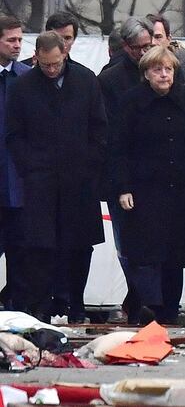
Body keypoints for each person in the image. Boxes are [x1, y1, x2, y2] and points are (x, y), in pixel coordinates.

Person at [112, 45, 185, 327]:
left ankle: (183, 309)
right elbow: (119, 148)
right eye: (157, 70)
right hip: (147, 189)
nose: (164, 75)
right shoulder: (131, 102)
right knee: (151, 252)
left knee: (183, 251)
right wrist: (123, 186)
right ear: (146, 74)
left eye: (169, 69)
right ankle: (152, 307)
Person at [6, 31, 107, 323]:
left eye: (56, 64)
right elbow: (14, 135)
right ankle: (41, 305)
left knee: (79, 246)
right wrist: (30, 167)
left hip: (79, 180)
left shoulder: (85, 80)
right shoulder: (23, 87)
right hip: (40, 181)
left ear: (65, 54)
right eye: (45, 65)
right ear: (36, 57)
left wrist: (89, 164)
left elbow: (99, 128)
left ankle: (75, 303)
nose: (51, 70)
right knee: (39, 247)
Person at [97, 17, 153, 324]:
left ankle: (143, 301)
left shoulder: (166, 71)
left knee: (153, 243)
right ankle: (138, 299)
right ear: (126, 48)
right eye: (139, 48)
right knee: (128, 243)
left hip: (155, 174)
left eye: (149, 45)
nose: (145, 53)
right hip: (124, 174)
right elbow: (109, 135)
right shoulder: (111, 80)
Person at [0, 16, 29, 311]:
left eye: (20, 40)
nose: (17, 45)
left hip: (20, 181)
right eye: (11, 40)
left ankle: (17, 308)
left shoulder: (26, 77)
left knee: (21, 252)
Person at [146, 13, 185, 83]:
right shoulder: (133, 65)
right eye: (148, 37)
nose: (153, 42)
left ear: (168, 39)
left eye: (158, 37)